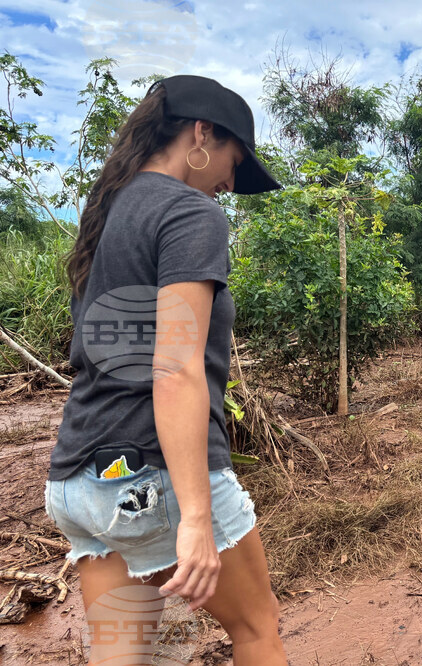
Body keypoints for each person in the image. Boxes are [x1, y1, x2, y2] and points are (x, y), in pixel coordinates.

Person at [44, 75, 288, 664]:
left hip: (77, 480)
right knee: (256, 629)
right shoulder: (190, 213)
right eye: (233, 160)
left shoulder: (108, 213)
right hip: (152, 475)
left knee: (121, 648)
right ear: (201, 133)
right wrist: (196, 519)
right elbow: (175, 368)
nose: (230, 182)